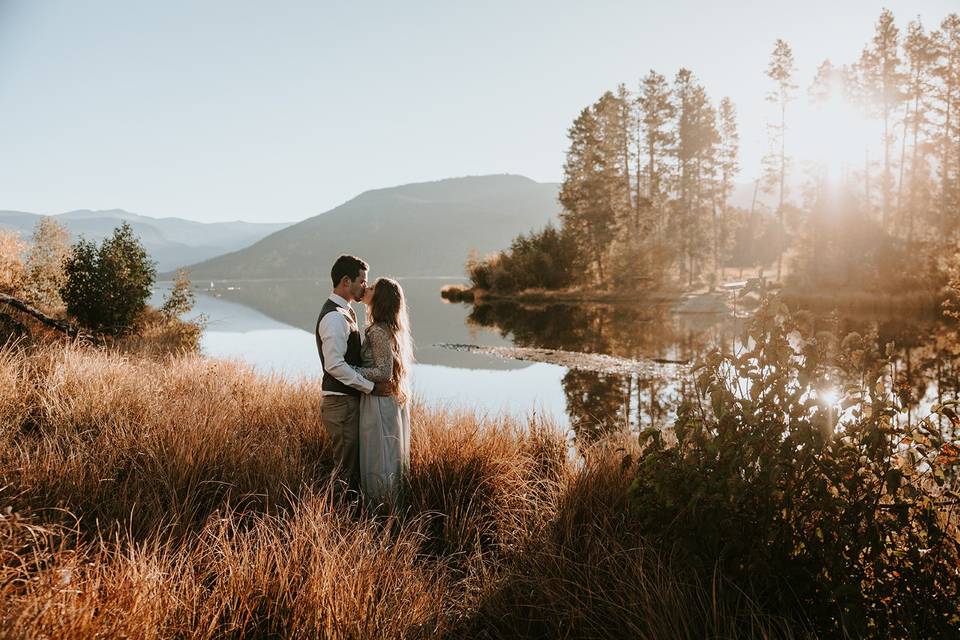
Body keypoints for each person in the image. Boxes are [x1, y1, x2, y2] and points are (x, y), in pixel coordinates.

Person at [315, 255, 392, 491]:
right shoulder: (334, 317)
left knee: (352, 468)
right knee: (345, 471)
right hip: (341, 406)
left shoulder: (345, 311)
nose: (364, 287)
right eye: (362, 281)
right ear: (346, 281)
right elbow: (334, 365)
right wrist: (371, 387)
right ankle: (334, 520)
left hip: (347, 403)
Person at [354, 277, 413, 503]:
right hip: (385, 400)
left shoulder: (378, 331)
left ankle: (380, 508)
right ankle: (389, 506)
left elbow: (384, 373)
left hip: (378, 401)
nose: (366, 289)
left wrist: (352, 370)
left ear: (379, 299)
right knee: (387, 455)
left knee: (378, 455)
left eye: (371, 288)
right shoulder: (389, 328)